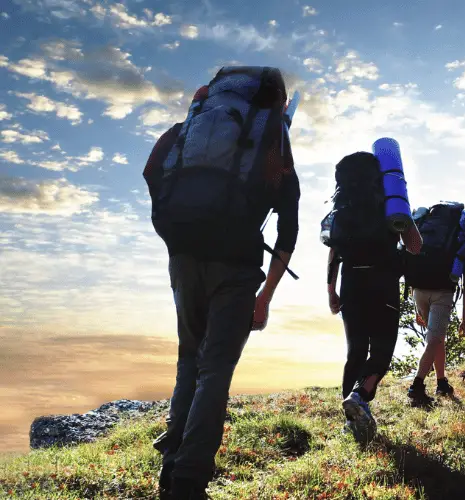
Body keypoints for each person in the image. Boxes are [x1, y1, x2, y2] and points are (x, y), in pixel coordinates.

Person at [144, 68, 300, 500]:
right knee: (214, 371)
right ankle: (189, 481)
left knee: (188, 360)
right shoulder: (272, 142)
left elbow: (153, 168)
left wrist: (175, 228)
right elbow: (289, 223)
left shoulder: (191, 126)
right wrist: (265, 296)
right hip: (235, 266)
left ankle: (170, 468)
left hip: (184, 257)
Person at [324, 151, 422, 443]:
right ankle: (360, 395)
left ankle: (350, 422)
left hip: (351, 281)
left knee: (355, 351)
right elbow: (415, 246)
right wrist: (404, 215)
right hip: (383, 282)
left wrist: (331, 289)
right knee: (381, 350)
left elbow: (334, 251)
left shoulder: (341, 208)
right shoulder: (390, 206)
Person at [402, 203, 465, 403]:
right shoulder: (460, 239)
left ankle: (441, 382)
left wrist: (414, 299)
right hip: (442, 292)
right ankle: (416, 386)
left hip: (418, 289)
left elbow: (412, 261)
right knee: (434, 340)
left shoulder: (427, 229)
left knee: (436, 338)